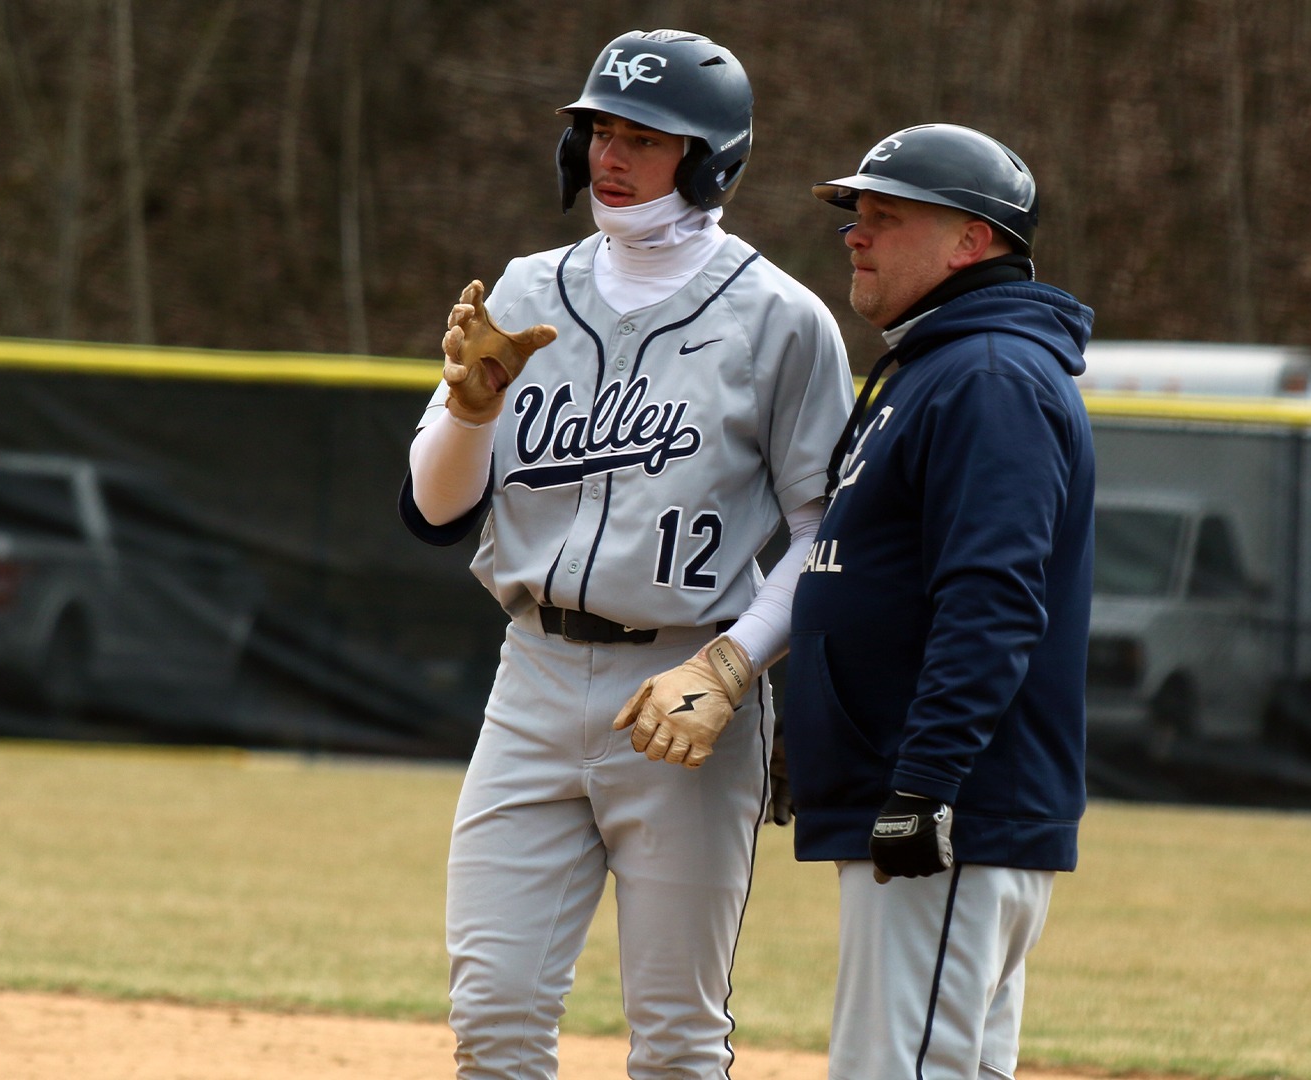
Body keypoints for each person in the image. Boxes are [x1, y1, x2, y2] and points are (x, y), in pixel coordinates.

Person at [398, 29, 854, 1080]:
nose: (612, 154)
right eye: (601, 128)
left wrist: (732, 664)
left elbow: (825, 532)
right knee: (496, 1018)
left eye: (646, 137)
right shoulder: (522, 289)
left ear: (708, 160)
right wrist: (471, 412)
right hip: (533, 676)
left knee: (677, 1041)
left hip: (686, 690)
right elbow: (432, 510)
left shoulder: (780, 319)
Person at [782, 124, 1096, 1080]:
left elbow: (992, 600)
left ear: (972, 241)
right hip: (934, 803)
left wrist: (925, 786)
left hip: (951, 814)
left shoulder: (989, 376)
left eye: (888, 215)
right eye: (855, 216)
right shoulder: (940, 369)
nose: (857, 234)